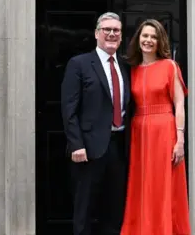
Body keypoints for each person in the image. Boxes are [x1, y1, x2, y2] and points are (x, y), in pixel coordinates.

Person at [61, 12, 130, 235]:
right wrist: (76, 144)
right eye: (106, 29)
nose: (111, 34)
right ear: (96, 34)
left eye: (116, 30)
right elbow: (69, 109)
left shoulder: (126, 65)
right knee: (85, 210)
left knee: (114, 209)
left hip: (119, 147)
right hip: (88, 149)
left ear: (121, 36)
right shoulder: (79, 64)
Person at [121, 19, 191, 235]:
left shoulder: (170, 66)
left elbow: (179, 104)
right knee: (141, 185)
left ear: (160, 41)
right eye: (145, 36)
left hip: (164, 129)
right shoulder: (131, 70)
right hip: (139, 131)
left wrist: (180, 140)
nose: (149, 40)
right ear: (138, 39)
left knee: (163, 186)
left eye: (153, 36)